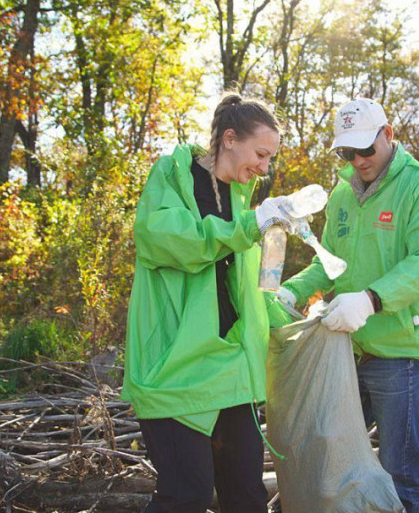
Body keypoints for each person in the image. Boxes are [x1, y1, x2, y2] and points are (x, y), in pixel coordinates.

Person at [277, 97, 419, 512]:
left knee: (402, 467)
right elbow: (330, 264)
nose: (357, 160)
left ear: (388, 135)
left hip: (402, 354)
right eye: (347, 152)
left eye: (365, 149)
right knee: (329, 449)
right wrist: (292, 291)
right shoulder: (342, 195)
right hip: (349, 350)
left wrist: (373, 300)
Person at [121, 92, 292, 512]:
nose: (264, 167)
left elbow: (243, 285)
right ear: (229, 138)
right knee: (187, 495)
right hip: (175, 368)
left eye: (270, 159)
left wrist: (290, 313)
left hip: (230, 367)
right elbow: (173, 242)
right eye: (261, 153)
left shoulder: (239, 194)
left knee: (246, 496)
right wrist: (251, 224)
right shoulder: (172, 175)